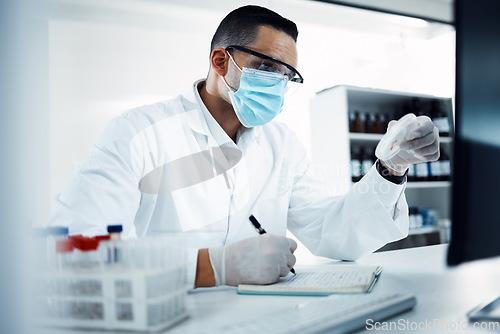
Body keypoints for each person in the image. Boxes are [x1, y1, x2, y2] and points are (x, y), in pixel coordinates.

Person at [48, 5, 439, 288]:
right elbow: (76, 252)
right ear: (221, 61)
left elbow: (335, 233)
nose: (278, 85)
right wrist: (212, 267)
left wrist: (391, 168)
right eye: (268, 68)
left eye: (288, 76)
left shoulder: (282, 146)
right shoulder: (139, 133)